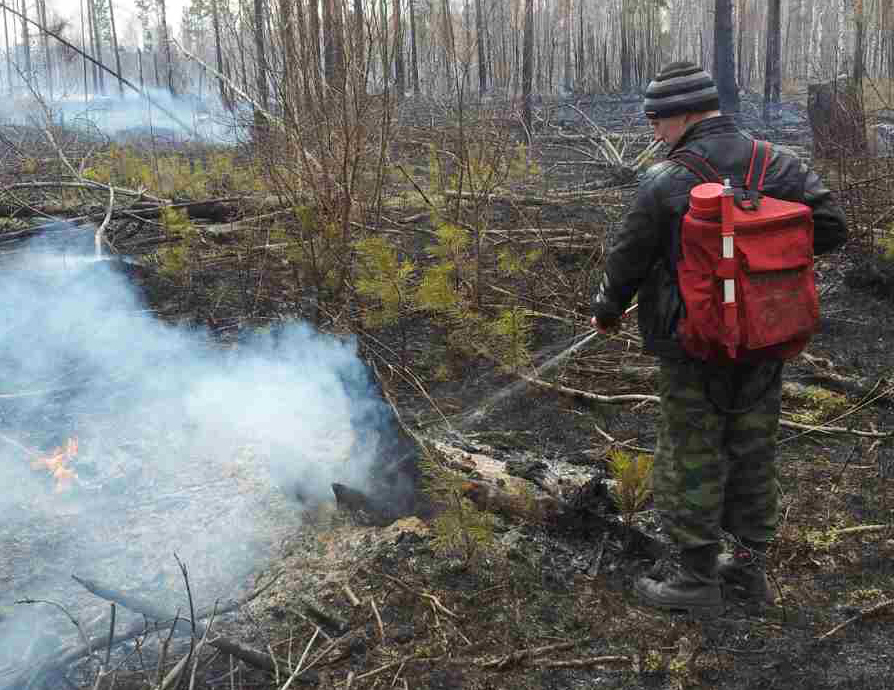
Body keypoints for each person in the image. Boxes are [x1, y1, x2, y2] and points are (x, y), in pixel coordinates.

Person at [590, 62, 848, 613]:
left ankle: (695, 579)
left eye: (657, 120)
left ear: (684, 115)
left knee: (690, 453)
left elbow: (626, 257)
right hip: (767, 337)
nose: (655, 132)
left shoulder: (665, 180)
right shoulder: (779, 163)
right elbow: (830, 228)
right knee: (754, 448)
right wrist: (763, 267)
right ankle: (750, 574)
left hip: (692, 346)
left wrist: (607, 310)